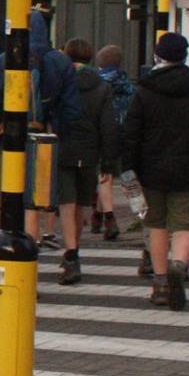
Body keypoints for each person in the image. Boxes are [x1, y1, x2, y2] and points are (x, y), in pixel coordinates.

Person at [120, 32, 189, 309]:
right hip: (185, 169)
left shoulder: (144, 91)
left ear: (158, 56)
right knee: (185, 223)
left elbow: (131, 134)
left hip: (150, 171)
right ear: (184, 57)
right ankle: (179, 263)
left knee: (155, 224)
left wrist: (126, 170)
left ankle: (162, 280)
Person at [0, 8, 82, 248]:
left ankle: (19, 247)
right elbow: (72, 107)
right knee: (59, 199)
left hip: (13, 136)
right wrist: (58, 131)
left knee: (14, 194)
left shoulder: (6, 58)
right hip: (48, 135)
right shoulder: (60, 61)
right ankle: (71, 254)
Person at [52, 36, 120, 285]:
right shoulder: (101, 87)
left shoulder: (59, 82)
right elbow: (109, 126)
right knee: (80, 204)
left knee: (66, 204)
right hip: (89, 152)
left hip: (63, 148)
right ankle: (74, 249)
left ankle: (71, 255)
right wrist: (108, 160)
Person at [93, 44, 135, 240]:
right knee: (128, 177)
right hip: (125, 136)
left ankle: (109, 218)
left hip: (105, 135)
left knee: (104, 176)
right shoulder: (129, 86)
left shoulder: (98, 85)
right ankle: (139, 213)